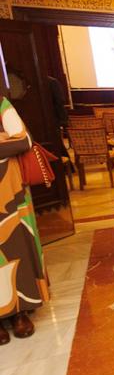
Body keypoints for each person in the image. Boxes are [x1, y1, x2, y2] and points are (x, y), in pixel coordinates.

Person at [0, 95, 49, 343]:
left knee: (15, 251)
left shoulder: (1, 104)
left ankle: (19, 313)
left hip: (9, 196)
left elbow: (22, 141)